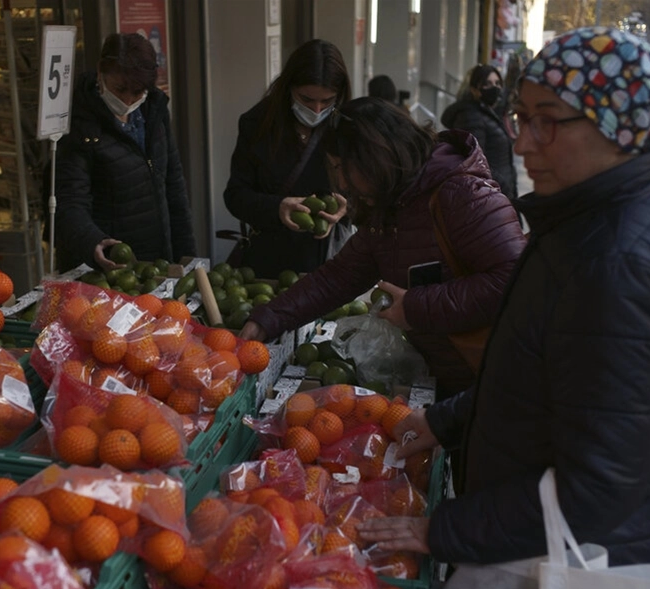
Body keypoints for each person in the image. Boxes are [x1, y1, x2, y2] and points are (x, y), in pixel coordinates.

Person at [360, 27, 650, 568]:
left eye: (546, 121)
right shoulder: (616, 209)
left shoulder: (618, 264)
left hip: (588, 572)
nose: (523, 144)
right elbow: (542, 376)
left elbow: (597, 488)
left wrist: (444, 530)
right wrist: (448, 421)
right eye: (522, 118)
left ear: (618, 127)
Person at [241, 97, 526, 398]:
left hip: (494, 385)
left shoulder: (462, 194)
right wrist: (268, 318)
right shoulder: (391, 204)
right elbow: (339, 276)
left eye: (341, 167)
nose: (339, 181)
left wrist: (416, 308)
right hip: (449, 383)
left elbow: (516, 280)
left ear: (375, 158)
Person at [49, 32, 195, 271]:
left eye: (137, 92)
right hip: (106, 265)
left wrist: (187, 257)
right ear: (100, 73)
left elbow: (174, 185)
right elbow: (70, 198)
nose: (127, 100)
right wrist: (91, 241)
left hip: (155, 261)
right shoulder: (77, 122)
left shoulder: (154, 111)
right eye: (119, 89)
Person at [223, 39, 351, 278]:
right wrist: (277, 207)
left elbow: (371, 191)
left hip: (328, 261)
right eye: (307, 99)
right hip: (269, 264)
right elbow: (235, 195)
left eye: (327, 101)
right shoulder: (258, 124)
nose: (316, 110)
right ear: (288, 87)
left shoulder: (347, 126)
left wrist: (346, 208)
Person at [440, 64, 518, 199]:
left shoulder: (489, 113)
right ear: (474, 90)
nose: (495, 88)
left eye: (497, 83)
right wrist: (503, 186)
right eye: (487, 84)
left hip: (500, 194)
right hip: (492, 196)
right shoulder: (471, 117)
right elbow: (476, 162)